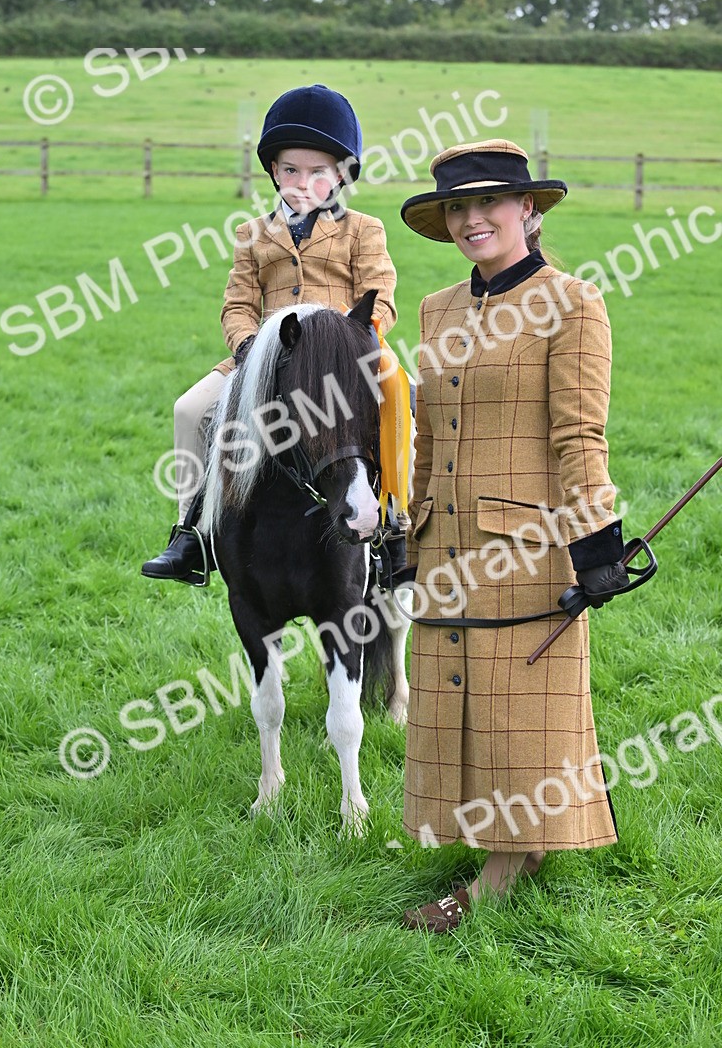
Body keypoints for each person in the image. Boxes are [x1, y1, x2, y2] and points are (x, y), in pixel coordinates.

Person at [397, 139, 629, 933]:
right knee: (460, 699)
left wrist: (596, 544)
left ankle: (500, 875)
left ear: (528, 209)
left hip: (527, 548)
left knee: (516, 708)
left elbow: (579, 437)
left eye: (488, 202)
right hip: (444, 543)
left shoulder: (573, 303)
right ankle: (503, 841)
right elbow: (427, 436)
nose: (472, 219)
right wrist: (408, 537)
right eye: (458, 207)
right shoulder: (435, 309)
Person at [142, 84, 401, 585]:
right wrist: (247, 347)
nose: (303, 184)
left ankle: (396, 529)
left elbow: (381, 297)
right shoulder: (252, 234)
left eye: (318, 172)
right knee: (189, 411)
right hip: (267, 361)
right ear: (274, 172)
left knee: (400, 407)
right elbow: (238, 304)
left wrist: (354, 340)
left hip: (343, 358)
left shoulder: (364, 230)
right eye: (291, 171)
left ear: (340, 174)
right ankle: (192, 534)